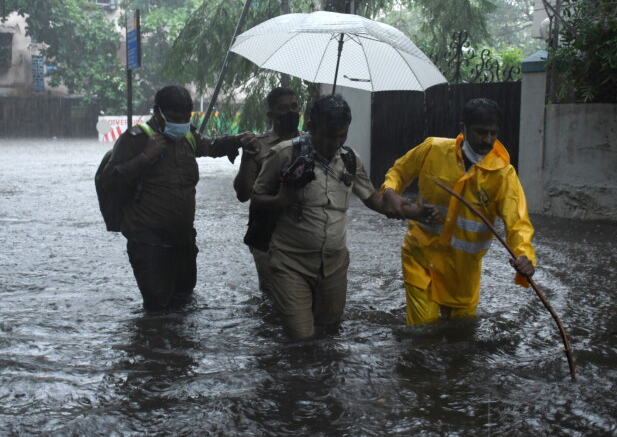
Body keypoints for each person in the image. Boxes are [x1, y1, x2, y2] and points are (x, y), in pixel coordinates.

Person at [251, 94, 429, 339]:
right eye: (327, 135)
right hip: (290, 264)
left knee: (329, 332)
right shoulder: (284, 155)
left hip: (333, 267)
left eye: (341, 136)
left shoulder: (349, 160)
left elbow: (373, 199)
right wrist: (283, 200)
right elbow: (256, 197)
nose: (334, 142)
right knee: (301, 337)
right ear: (311, 127)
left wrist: (413, 211)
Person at [101, 84, 258, 311]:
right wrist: (145, 156)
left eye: (185, 118)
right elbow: (110, 181)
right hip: (148, 242)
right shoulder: (134, 139)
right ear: (158, 111)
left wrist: (237, 141)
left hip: (183, 240)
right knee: (157, 309)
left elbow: (210, 146)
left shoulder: (188, 136)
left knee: (184, 303)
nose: (180, 123)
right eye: (174, 118)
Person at [380, 97, 536, 325]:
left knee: (462, 336)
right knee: (424, 332)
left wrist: (525, 255)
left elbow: (518, 222)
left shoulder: (504, 175)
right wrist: (389, 191)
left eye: (494, 133)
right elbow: (399, 171)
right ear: (462, 128)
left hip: (463, 274)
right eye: (481, 132)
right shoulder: (432, 149)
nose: (488, 140)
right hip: (421, 259)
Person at [233, 87, 302, 292]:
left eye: (294, 107)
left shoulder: (311, 143)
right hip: (267, 235)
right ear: (271, 115)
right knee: (273, 296)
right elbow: (243, 194)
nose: (290, 112)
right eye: (283, 108)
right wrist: (247, 157)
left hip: (303, 232)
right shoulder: (259, 146)